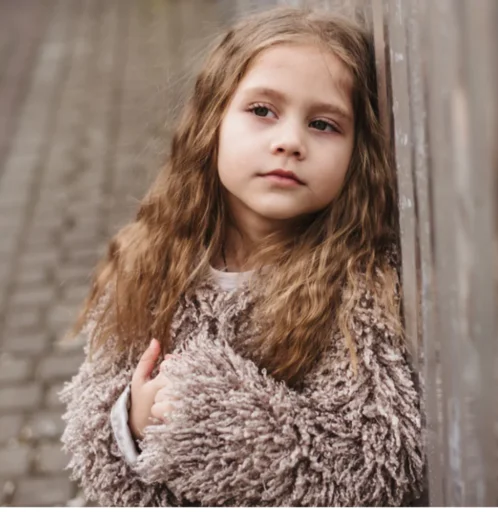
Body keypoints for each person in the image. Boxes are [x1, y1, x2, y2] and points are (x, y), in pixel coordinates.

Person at [59, 6, 424, 507]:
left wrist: (202, 411)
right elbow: (91, 412)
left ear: (358, 153)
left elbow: (372, 463)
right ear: (213, 122)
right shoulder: (153, 260)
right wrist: (134, 420)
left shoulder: (359, 282)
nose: (290, 142)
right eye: (262, 111)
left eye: (322, 124)